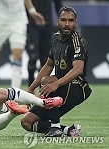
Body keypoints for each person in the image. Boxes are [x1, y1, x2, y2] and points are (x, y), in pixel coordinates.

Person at [21, 7, 92, 137]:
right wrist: (31, 88)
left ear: (75, 23)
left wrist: (56, 84)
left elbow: (78, 69)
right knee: (27, 122)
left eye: (71, 20)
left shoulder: (77, 40)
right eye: (63, 20)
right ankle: (67, 130)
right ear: (57, 22)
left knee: (48, 81)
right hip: (58, 88)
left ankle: (55, 127)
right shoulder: (55, 38)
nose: (67, 24)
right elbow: (49, 64)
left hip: (77, 87)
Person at [0, 0, 45, 98]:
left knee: (18, 57)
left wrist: (32, 12)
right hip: (0, 20)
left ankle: (14, 96)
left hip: (19, 20)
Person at [26, 0, 62, 86]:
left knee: (45, 60)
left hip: (47, 24)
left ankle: (42, 88)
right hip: (31, 24)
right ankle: (31, 85)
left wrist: (61, 22)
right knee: (33, 56)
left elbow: (58, 5)